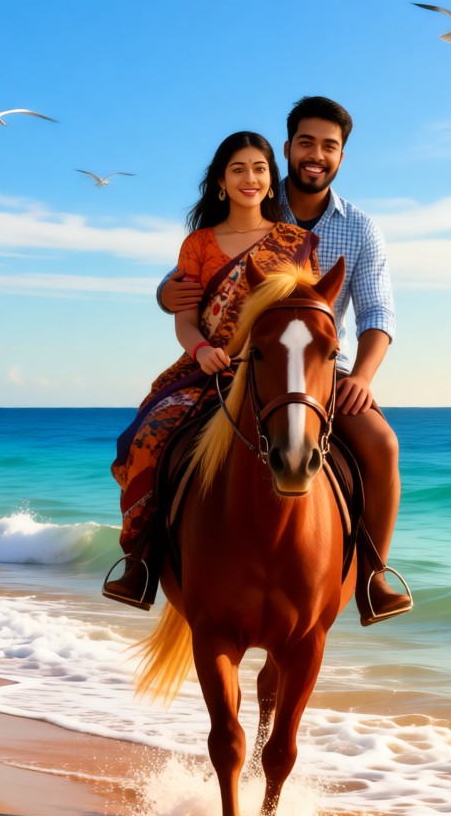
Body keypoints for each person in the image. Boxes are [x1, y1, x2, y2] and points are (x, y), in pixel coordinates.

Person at [157, 96, 412, 625]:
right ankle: (145, 561)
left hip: (318, 366)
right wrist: (166, 293)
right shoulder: (258, 209)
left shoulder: (360, 229)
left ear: (341, 156)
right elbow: (195, 278)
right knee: (154, 441)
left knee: (383, 446)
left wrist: (362, 376)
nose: (316, 154)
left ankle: (373, 576)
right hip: (232, 362)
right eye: (306, 142)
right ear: (288, 149)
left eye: (330, 146)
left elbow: (377, 311)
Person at [104, 131, 320, 607]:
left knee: (359, 447)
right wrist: (202, 350)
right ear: (221, 180)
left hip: (274, 371)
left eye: (259, 169)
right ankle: (139, 561)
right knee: (143, 440)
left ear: (271, 179)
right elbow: (184, 321)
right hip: (206, 368)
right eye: (238, 169)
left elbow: (306, 315)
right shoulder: (198, 244)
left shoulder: (297, 242)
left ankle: (369, 564)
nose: (250, 178)